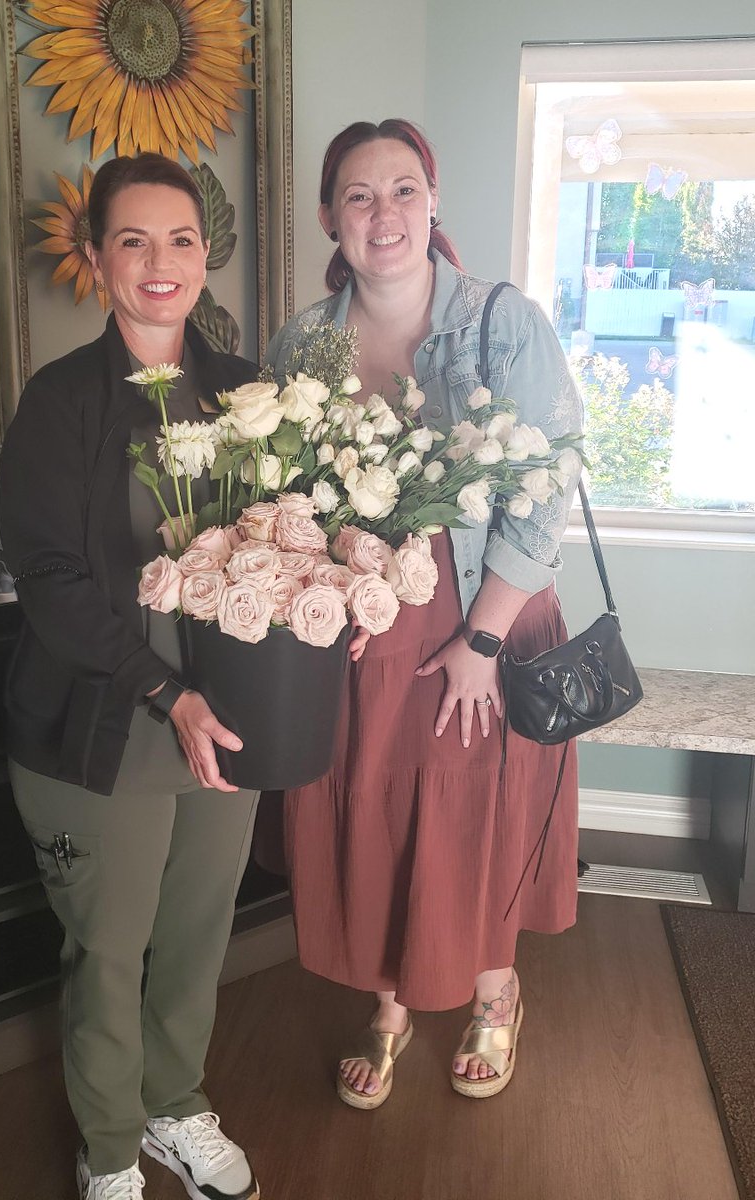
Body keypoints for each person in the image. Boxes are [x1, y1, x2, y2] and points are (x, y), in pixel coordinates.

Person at [265, 120, 583, 1107]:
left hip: (485, 613)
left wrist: (482, 639)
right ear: (331, 217)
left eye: (403, 189)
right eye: (359, 196)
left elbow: (547, 488)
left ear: (432, 201)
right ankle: (394, 999)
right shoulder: (302, 344)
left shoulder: (501, 322)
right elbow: (288, 496)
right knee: (383, 810)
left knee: (471, 809)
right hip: (366, 628)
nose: (384, 213)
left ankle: (494, 991)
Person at [0, 153, 261, 1200]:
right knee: (109, 953)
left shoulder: (247, 395)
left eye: (181, 239)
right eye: (135, 240)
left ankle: (174, 1104)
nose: (161, 262)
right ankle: (109, 1150)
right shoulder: (61, 400)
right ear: (100, 259)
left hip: (225, 723)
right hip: (104, 724)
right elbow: (51, 582)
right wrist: (166, 690)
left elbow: (283, 542)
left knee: (196, 936)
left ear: (205, 255)